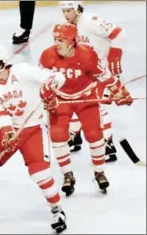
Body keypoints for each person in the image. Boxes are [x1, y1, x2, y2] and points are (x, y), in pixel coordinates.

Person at [0, 45, 67, 234]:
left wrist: (50, 87)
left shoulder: (23, 71)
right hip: (6, 130)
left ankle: (57, 211)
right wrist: (8, 133)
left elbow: (57, 77)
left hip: (33, 128)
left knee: (40, 174)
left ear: (1, 63)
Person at [39, 23, 133, 197]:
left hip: (85, 98)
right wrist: (47, 97)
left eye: (61, 40)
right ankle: (68, 175)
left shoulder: (87, 54)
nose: (57, 44)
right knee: (58, 137)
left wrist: (121, 92)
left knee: (94, 135)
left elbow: (104, 76)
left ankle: (99, 172)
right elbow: (40, 82)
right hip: (61, 99)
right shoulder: (47, 56)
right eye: (55, 40)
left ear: (72, 41)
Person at [59, 1, 127, 162]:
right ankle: (75, 136)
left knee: (95, 107)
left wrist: (114, 59)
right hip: (84, 72)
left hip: (101, 71)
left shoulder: (90, 21)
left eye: (69, 10)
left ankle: (108, 143)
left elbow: (119, 33)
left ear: (77, 9)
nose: (66, 14)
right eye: (63, 11)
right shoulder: (68, 27)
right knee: (72, 101)